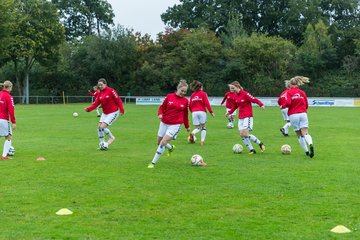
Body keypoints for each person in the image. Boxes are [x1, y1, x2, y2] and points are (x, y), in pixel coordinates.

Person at [148, 80, 190, 168]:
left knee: (163, 142)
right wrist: (160, 114)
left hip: (175, 125)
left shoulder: (185, 101)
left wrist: (187, 126)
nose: (183, 93)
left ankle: (153, 162)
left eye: (185, 91)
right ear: (177, 89)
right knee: (159, 142)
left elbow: (185, 114)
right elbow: (162, 107)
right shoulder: (169, 96)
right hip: (164, 122)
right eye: (182, 90)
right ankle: (171, 148)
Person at [226, 81, 266, 154]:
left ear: (237, 87)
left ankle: (260, 144)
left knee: (245, 133)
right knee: (242, 134)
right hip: (241, 117)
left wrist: (261, 105)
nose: (232, 90)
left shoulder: (245, 94)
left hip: (247, 116)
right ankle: (252, 150)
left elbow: (254, 99)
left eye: (233, 88)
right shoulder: (235, 96)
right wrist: (229, 112)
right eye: (231, 88)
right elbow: (235, 106)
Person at [85, 78, 124, 149]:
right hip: (105, 113)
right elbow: (95, 104)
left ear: (105, 84)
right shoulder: (100, 93)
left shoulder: (111, 90)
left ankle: (110, 139)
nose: (100, 86)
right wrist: (88, 109)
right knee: (99, 128)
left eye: (101, 84)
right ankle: (102, 143)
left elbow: (118, 99)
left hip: (113, 112)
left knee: (102, 127)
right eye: (99, 85)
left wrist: (122, 109)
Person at [281, 76, 314, 158]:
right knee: (305, 132)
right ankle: (310, 144)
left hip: (293, 114)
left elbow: (288, 103)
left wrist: (283, 105)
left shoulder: (289, 92)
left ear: (290, 84)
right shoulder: (302, 92)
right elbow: (306, 105)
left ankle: (306, 152)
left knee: (299, 134)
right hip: (303, 114)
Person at [188, 81, 215, 146]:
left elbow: (190, 105)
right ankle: (202, 141)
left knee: (197, 128)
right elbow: (207, 103)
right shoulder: (203, 93)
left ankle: (192, 133)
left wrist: (192, 112)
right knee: (203, 127)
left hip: (194, 112)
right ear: (201, 87)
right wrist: (211, 112)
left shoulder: (192, 95)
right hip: (202, 112)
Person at [0, 81, 16, 160]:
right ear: (10, 87)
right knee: (8, 137)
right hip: (3, 119)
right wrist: (13, 122)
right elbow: (11, 110)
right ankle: (4, 156)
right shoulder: (9, 96)